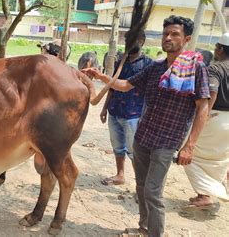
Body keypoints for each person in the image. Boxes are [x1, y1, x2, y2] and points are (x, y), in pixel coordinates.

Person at [83, 15, 210, 237]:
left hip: (167, 141)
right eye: (165, 33)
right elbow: (124, 85)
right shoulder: (155, 67)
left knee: (153, 191)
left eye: (174, 34)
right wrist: (100, 76)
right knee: (141, 187)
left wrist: (190, 145)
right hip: (143, 137)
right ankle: (144, 227)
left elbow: (203, 108)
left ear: (187, 38)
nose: (168, 38)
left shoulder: (195, 69)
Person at [100, 30, 152, 186]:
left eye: (133, 39)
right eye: (127, 39)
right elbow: (112, 86)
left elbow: (150, 93)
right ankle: (120, 175)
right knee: (117, 146)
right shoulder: (121, 62)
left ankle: (140, 184)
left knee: (134, 151)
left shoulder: (148, 64)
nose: (128, 43)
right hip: (114, 111)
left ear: (142, 41)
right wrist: (104, 108)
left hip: (133, 115)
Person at [184, 33, 229, 207]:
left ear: (220, 49)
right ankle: (210, 191)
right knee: (219, 159)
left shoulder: (215, 69)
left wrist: (204, 116)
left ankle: (207, 194)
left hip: (214, 118)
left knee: (189, 154)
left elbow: (211, 95)